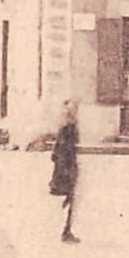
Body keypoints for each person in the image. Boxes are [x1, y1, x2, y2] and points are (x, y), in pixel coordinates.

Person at [49, 99, 81, 244]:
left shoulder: (66, 127)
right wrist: (67, 172)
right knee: (69, 199)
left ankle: (66, 230)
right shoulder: (68, 128)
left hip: (66, 166)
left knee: (70, 200)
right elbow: (63, 152)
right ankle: (65, 231)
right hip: (66, 168)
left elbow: (56, 153)